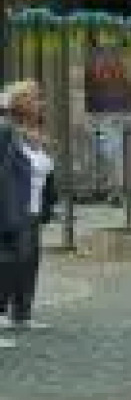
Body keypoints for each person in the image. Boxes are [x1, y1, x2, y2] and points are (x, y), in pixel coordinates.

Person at [0, 80, 57, 335]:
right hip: (13, 207)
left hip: (33, 208)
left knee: (29, 262)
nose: (41, 103)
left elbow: (45, 171)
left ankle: (22, 313)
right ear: (21, 103)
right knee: (9, 262)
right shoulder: (5, 132)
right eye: (35, 98)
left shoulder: (37, 134)